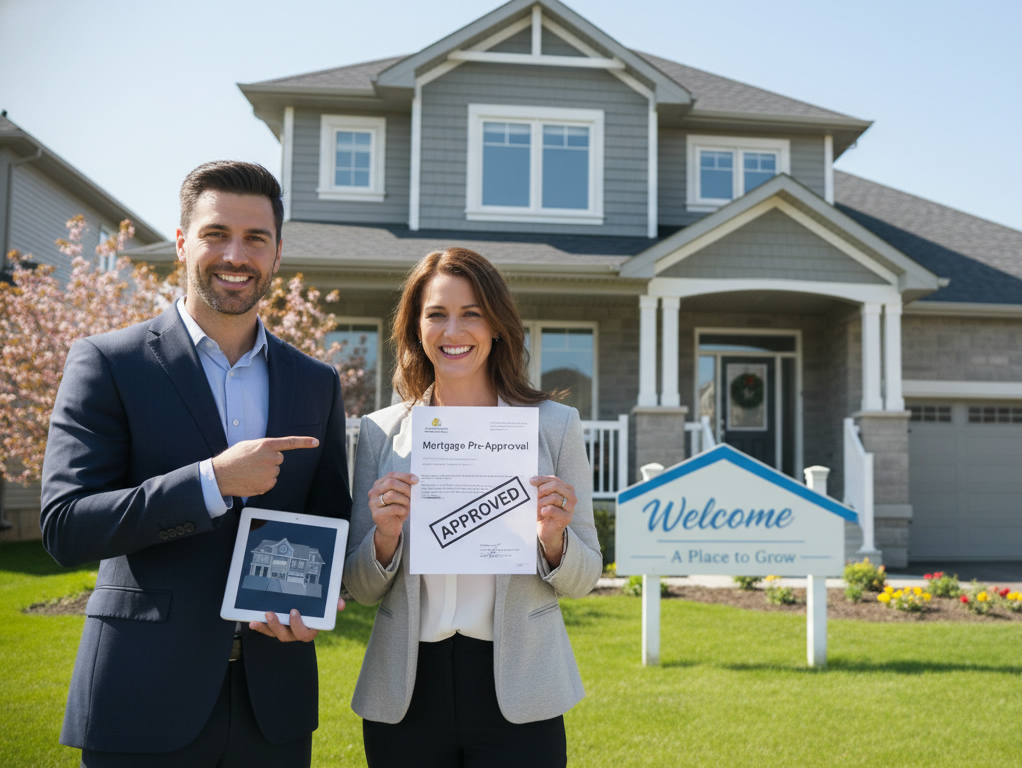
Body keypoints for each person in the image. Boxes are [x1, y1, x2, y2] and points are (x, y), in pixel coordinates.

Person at [40, 160, 352, 766]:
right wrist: (211, 482)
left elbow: (327, 520)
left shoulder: (316, 383)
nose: (235, 254)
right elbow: (65, 524)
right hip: (141, 694)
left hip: (274, 703)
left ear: (278, 253)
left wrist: (320, 598)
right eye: (215, 234)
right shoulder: (109, 363)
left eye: (255, 238)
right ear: (183, 243)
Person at [343, 247, 601, 767]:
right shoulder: (380, 433)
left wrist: (554, 541)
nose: (452, 331)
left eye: (471, 314)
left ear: (498, 325)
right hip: (408, 689)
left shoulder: (555, 427)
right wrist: (385, 536)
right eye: (436, 314)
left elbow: (585, 578)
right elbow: (361, 589)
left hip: (520, 686)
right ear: (416, 328)